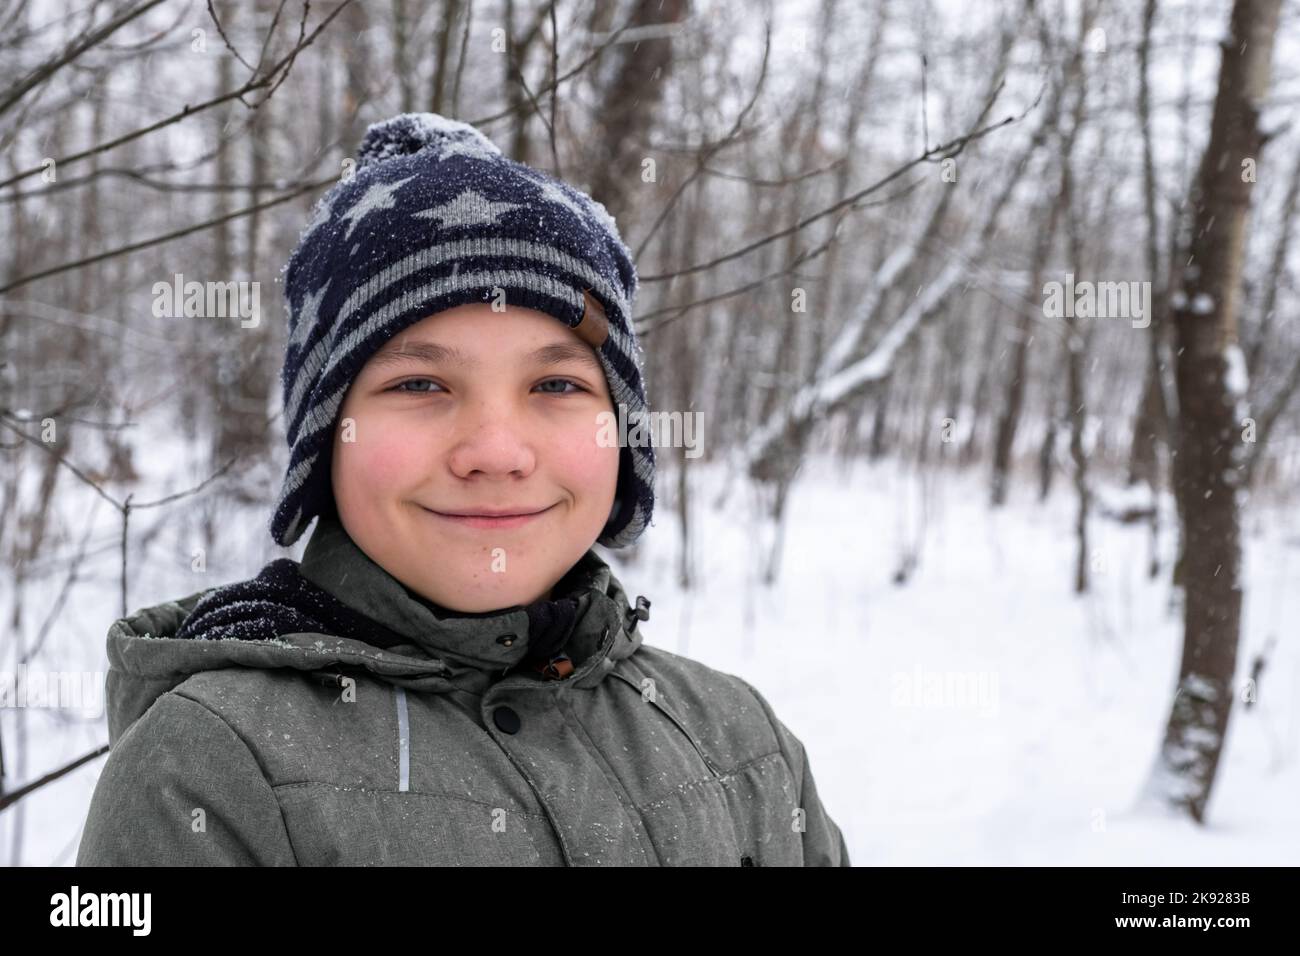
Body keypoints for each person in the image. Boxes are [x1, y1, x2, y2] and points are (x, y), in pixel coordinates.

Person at [75, 113, 850, 866]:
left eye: (554, 383)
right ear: (324, 437)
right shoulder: (213, 772)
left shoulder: (741, 741)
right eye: (420, 382)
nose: (496, 452)